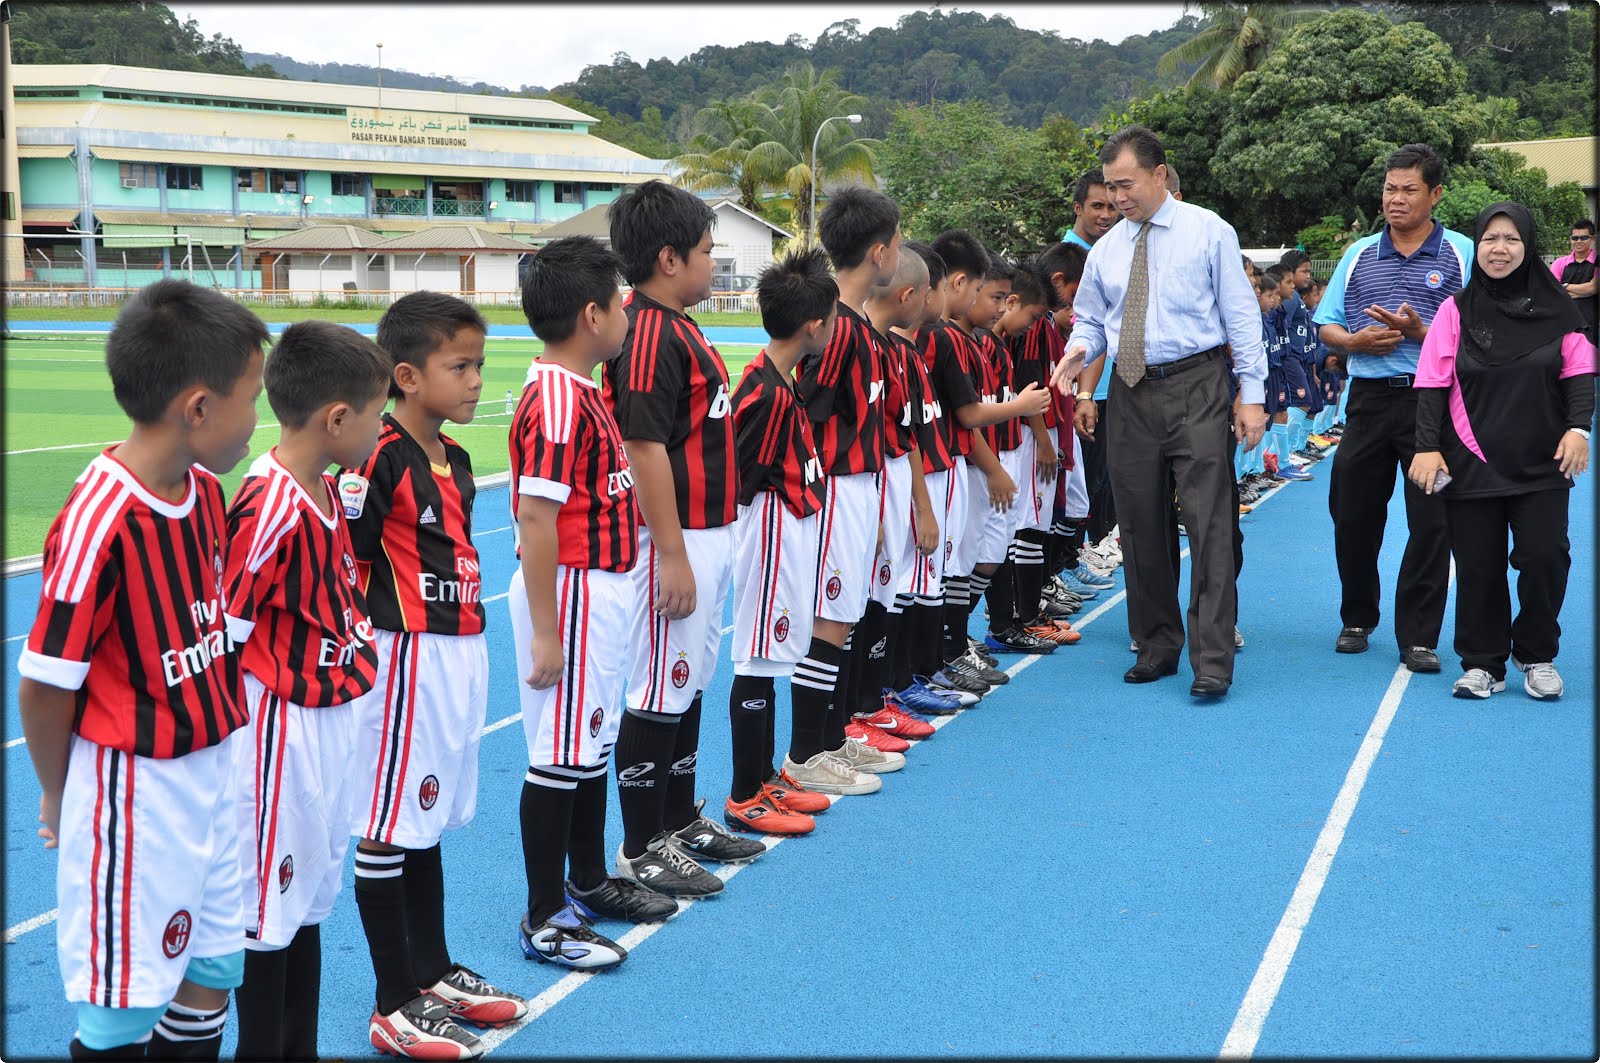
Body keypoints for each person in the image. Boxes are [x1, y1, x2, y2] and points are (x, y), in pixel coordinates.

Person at [18, 280, 265, 1061]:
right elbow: (46, 681)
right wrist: (61, 792)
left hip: (214, 770)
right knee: (123, 1008)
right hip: (137, 794)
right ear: (197, 408)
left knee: (215, 969)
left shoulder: (202, 491)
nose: (257, 420)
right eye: (250, 398)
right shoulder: (101, 519)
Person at [340, 292, 528, 1056]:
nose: (478, 379)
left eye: (480, 363)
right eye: (462, 366)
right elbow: (348, 559)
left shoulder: (453, 455)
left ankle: (432, 968)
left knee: (424, 820)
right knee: (388, 826)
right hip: (403, 653)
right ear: (409, 376)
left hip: (458, 650)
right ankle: (393, 1000)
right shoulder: (377, 456)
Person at [510, 236, 679, 973]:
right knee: (559, 756)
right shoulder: (555, 398)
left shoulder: (583, 390)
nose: (627, 317)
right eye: (619, 304)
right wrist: (547, 631)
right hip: (574, 589)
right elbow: (536, 517)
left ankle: (583, 879)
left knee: (589, 745)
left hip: (603, 588)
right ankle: (545, 913)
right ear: (591, 314)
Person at [1050, 125, 1267, 698]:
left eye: (1126, 185)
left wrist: (1252, 395)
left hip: (1198, 384)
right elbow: (1092, 321)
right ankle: (1156, 645)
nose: (1118, 198)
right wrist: (1078, 355)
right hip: (1129, 391)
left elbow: (1241, 317)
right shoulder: (1106, 249)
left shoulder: (1207, 231)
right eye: (1110, 188)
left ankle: (1213, 658)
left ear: (1159, 174)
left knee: (1209, 524)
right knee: (1141, 527)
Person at [223, 321, 389, 1059]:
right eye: (377, 414)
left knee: (307, 906)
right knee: (268, 914)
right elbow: (224, 633)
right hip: (277, 729)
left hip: (329, 720)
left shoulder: (324, 488)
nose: (381, 428)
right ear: (336, 419)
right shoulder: (267, 506)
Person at [600, 181, 766, 899]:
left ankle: (674, 817)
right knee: (659, 685)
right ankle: (641, 845)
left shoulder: (678, 326)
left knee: (688, 679)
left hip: (707, 530)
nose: (712, 265)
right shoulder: (645, 333)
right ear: (669, 259)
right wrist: (670, 552)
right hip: (677, 538)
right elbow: (643, 447)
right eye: (706, 252)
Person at [1406, 202, 1595, 699]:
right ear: (1477, 245)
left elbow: (1577, 374)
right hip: (1471, 460)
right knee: (1478, 564)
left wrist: (1580, 429)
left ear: (1527, 246)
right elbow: (1431, 384)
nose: (1500, 248)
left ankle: (1536, 653)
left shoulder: (1559, 311)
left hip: (1542, 461)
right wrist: (1426, 448)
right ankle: (1483, 662)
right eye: (1490, 238)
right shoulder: (1455, 311)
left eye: (1511, 239)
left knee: (1545, 555)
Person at [1312, 143, 1475, 672]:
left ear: (1436, 194)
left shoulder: (1463, 253)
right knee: (1351, 511)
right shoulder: (1359, 253)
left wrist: (1421, 333)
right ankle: (1358, 616)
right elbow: (1327, 325)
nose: (1396, 199)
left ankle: (1419, 636)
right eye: (1390, 189)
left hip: (1435, 403)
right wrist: (1355, 343)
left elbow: (1480, 332)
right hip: (1369, 400)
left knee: (1434, 519)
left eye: (1409, 189)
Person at [729, 248, 881, 810]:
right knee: (758, 658)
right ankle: (748, 791)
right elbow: (741, 478)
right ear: (815, 325)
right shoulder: (766, 391)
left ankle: (765, 778)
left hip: (784, 527)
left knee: (774, 653)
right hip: (769, 528)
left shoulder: (779, 380)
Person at [797, 185, 914, 770]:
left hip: (862, 486)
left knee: (845, 614)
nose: (898, 248)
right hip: (836, 488)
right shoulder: (834, 329)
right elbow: (805, 412)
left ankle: (832, 734)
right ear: (878, 252)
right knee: (829, 614)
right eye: (895, 239)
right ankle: (807, 750)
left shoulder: (861, 328)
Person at [1550, 218, 1597, 343]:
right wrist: (1586, 291)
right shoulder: (1559, 263)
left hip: (1593, 324)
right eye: (1575, 238)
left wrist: (1563, 287)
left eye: (1584, 238)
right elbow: (1553, 291)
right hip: (1564, 322)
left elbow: (1594, 287)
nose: (1579, 241)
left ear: (1593, 239)